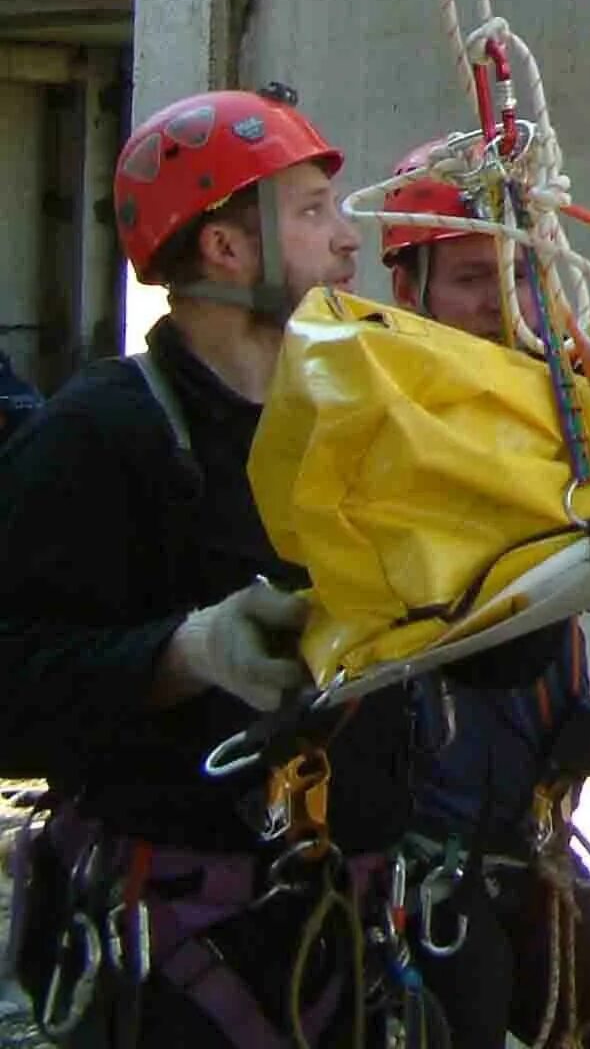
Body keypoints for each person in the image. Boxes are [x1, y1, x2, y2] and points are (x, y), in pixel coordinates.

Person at [0, 86, 435, 1047]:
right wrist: (184, 653)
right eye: (313, 212)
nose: (348, 238)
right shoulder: (103, 435)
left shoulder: (352, 412)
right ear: (227, 250)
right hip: (183, 959)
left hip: (351, 932)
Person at [375, 142, 590, 1049]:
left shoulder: (566, 412)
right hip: (421, 868)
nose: (504, 303)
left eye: (524, 275)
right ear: (408, 289)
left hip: (533, 852)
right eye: (476, 276)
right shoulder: (380, 419)